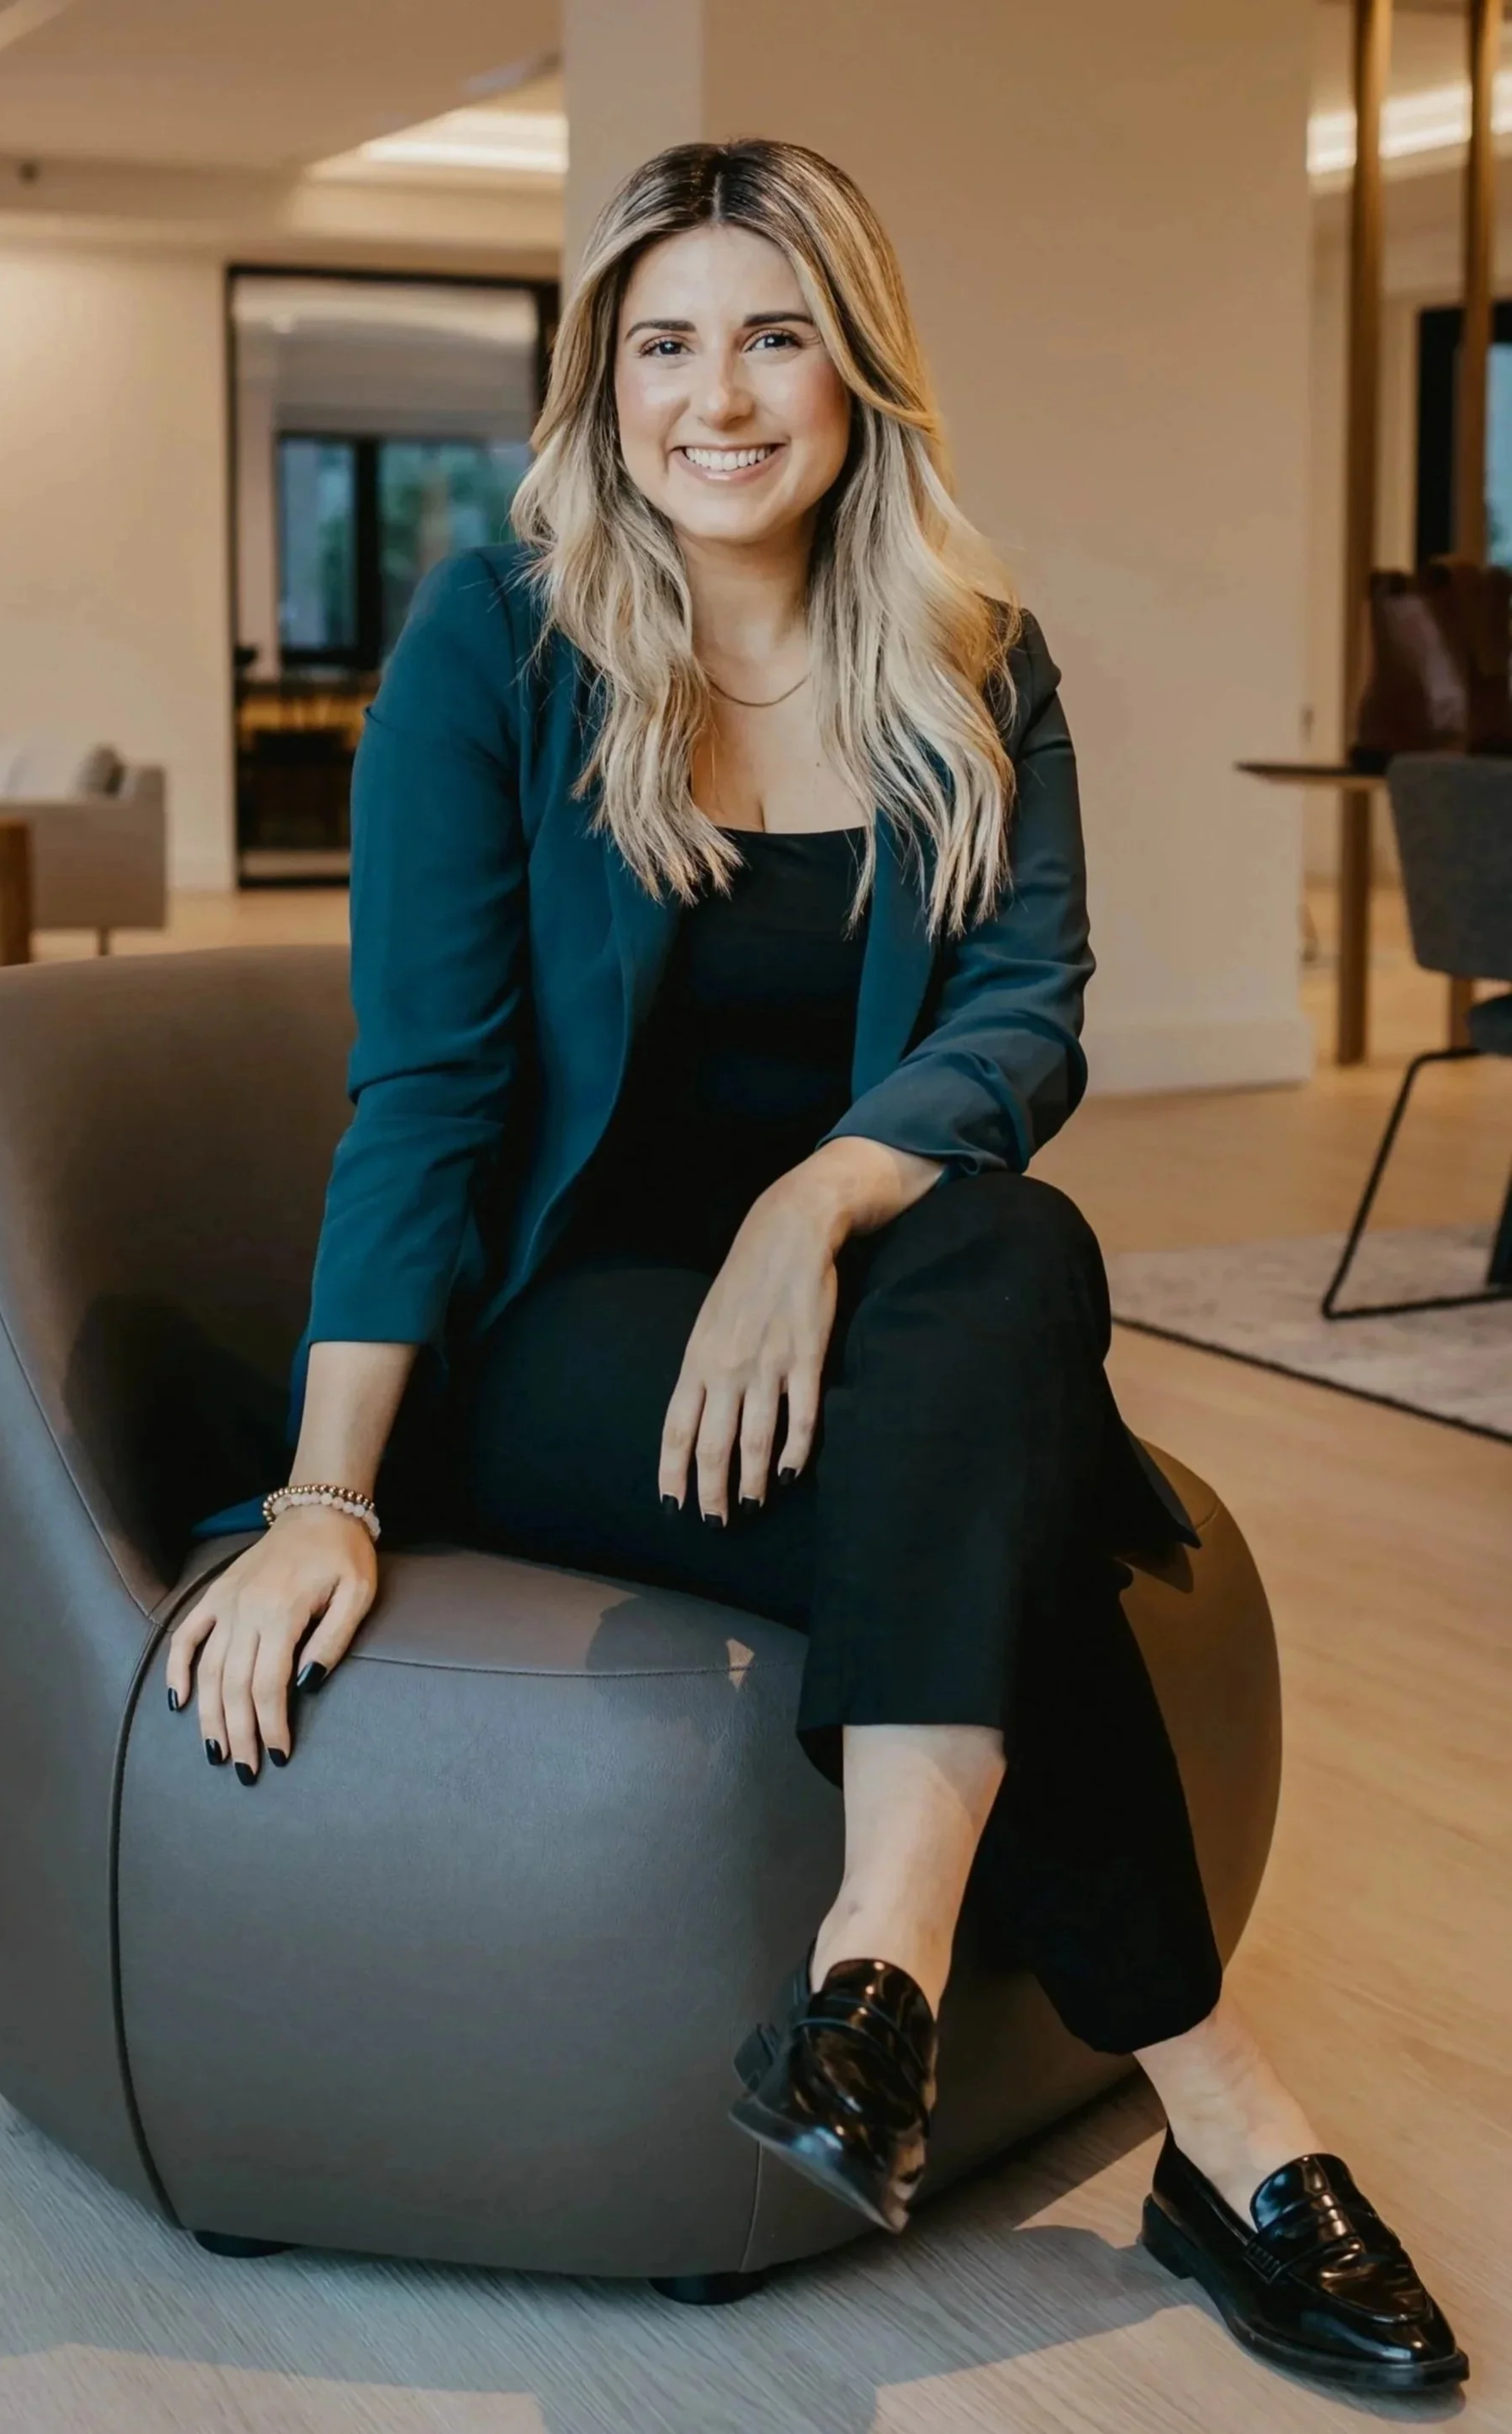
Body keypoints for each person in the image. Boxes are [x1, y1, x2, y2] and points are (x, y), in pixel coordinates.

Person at [168, 140, 1465, 2393]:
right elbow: (430, 1096)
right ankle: (1230, 2127)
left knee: (1009, 1248)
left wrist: (815, 1197)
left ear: (858, 371)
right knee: (1003, 1501)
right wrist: (327, 1494)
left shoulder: (975, 663)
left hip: (880, 1309)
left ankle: (878, 1965)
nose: (720, 394)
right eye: (665, 342)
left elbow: (1021, 1019)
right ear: (605, 387)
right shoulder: (498, 648)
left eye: (772, 333)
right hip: (575, 1334)